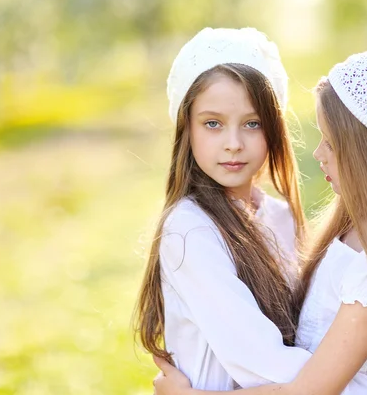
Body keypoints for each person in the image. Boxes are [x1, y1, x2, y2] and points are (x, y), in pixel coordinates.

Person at [152, 43, 367, 395]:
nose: (317, 153)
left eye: (330, 142)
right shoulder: (349, 233)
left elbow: (310, 388)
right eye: (213, 124)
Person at [134, 27, 314, 391]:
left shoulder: (281, 218)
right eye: (212, 124)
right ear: (188, 129)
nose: (233, 144)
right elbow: (265, 363)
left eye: (252, 123)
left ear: (274, 130)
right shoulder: (191, 229)